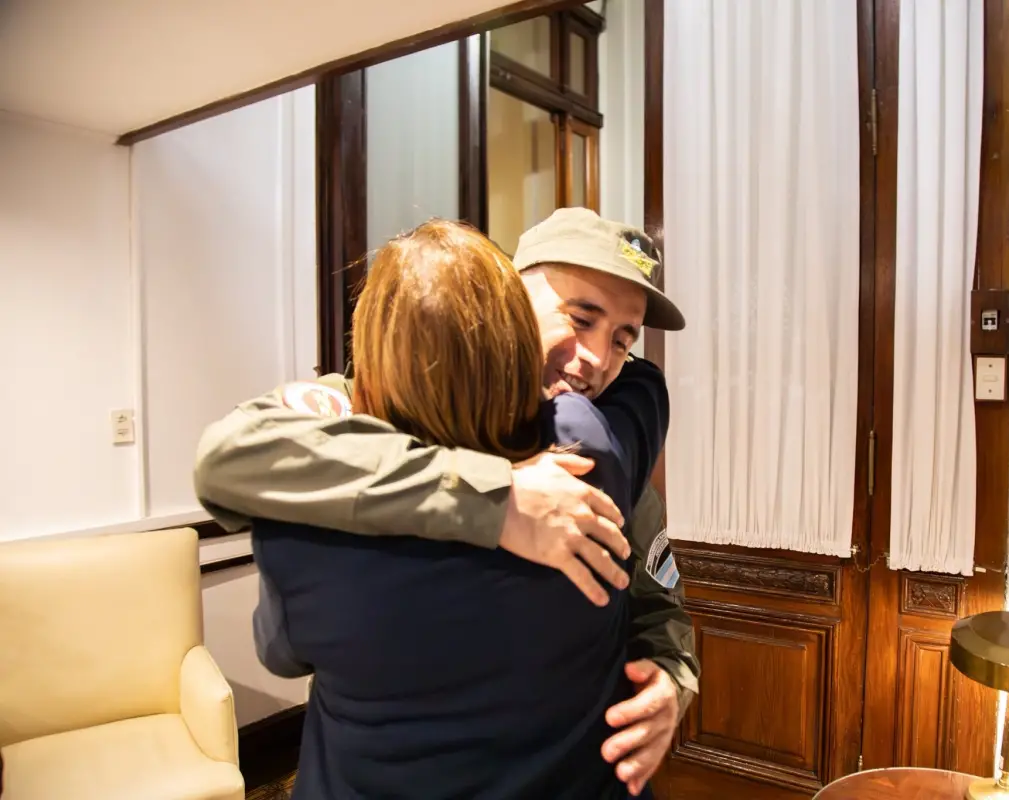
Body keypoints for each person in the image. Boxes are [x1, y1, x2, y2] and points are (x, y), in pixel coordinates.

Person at [194, 209, 696, 794]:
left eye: (623, 340)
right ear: (510, 300)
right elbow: (230, 458)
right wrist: (492, 495)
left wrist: (670, 675)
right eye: (580, 319)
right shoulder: (368, 407)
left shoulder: (602, 444)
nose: (598, 359)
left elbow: (655, 599)